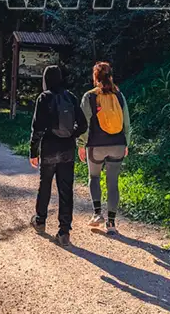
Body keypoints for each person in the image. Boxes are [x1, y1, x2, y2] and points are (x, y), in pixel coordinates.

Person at [29, 64, 86, 246]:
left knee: (45, 184)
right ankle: (64, 232)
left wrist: (33, 151)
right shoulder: (71, 97)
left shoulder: (44, 98)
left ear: (45, 79)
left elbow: (37, 127)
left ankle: (40, 220)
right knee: (66, 189)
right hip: (67, 149)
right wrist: (71, 134)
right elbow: (83, 125)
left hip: (49, 148)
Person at [78, 61, 130, 235]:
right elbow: (127, 123)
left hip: (96, 146)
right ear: (110, 75)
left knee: (94, 176)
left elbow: (83, 124)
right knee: (113, 182)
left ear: (95, 77)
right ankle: (112, 223)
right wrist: (126, 143)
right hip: (118, 144)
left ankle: (97, 214)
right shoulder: (119, 96)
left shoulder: (89, 96)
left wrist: (81, 144)